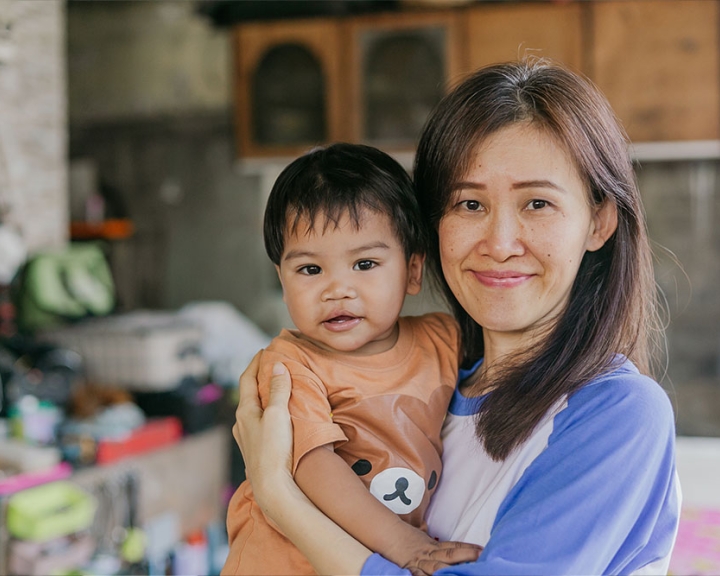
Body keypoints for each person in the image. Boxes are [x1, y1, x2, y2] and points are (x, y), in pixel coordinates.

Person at [231, 59, 682, 576]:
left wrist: (279, 498)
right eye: (469, 204)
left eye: (537, 203)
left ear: (599, 221)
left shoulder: (617, 413)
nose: (500, 244)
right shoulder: (435, 387)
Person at [222, 143, 482, 575]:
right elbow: (311, 464)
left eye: (364, 263)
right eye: (310, 270)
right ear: (282, 282)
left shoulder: (444, 338)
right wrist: (405, 544)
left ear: (413, 270)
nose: (337, 289)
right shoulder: (289, 365)